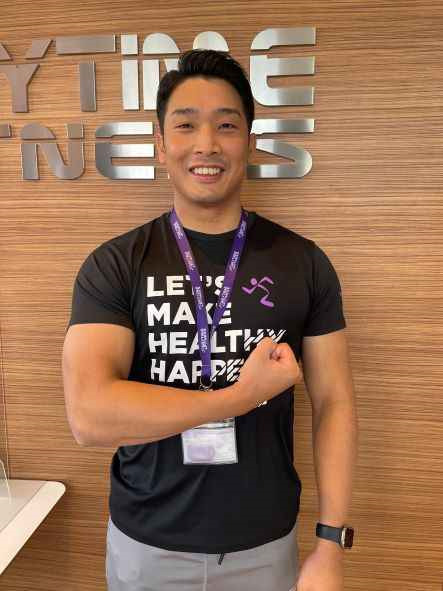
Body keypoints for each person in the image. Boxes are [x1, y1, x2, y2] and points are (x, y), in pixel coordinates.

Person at [62, 49, 358, 591]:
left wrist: (331, 543)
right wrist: (238, 397)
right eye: (186, 125)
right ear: (160, 144)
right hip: (146, 548)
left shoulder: (303, 262)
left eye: (226, 125)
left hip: (265, 547)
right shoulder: (116, 264)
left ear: (249, 141)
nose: (206, 145)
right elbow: (89, 415)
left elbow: (335, 402)